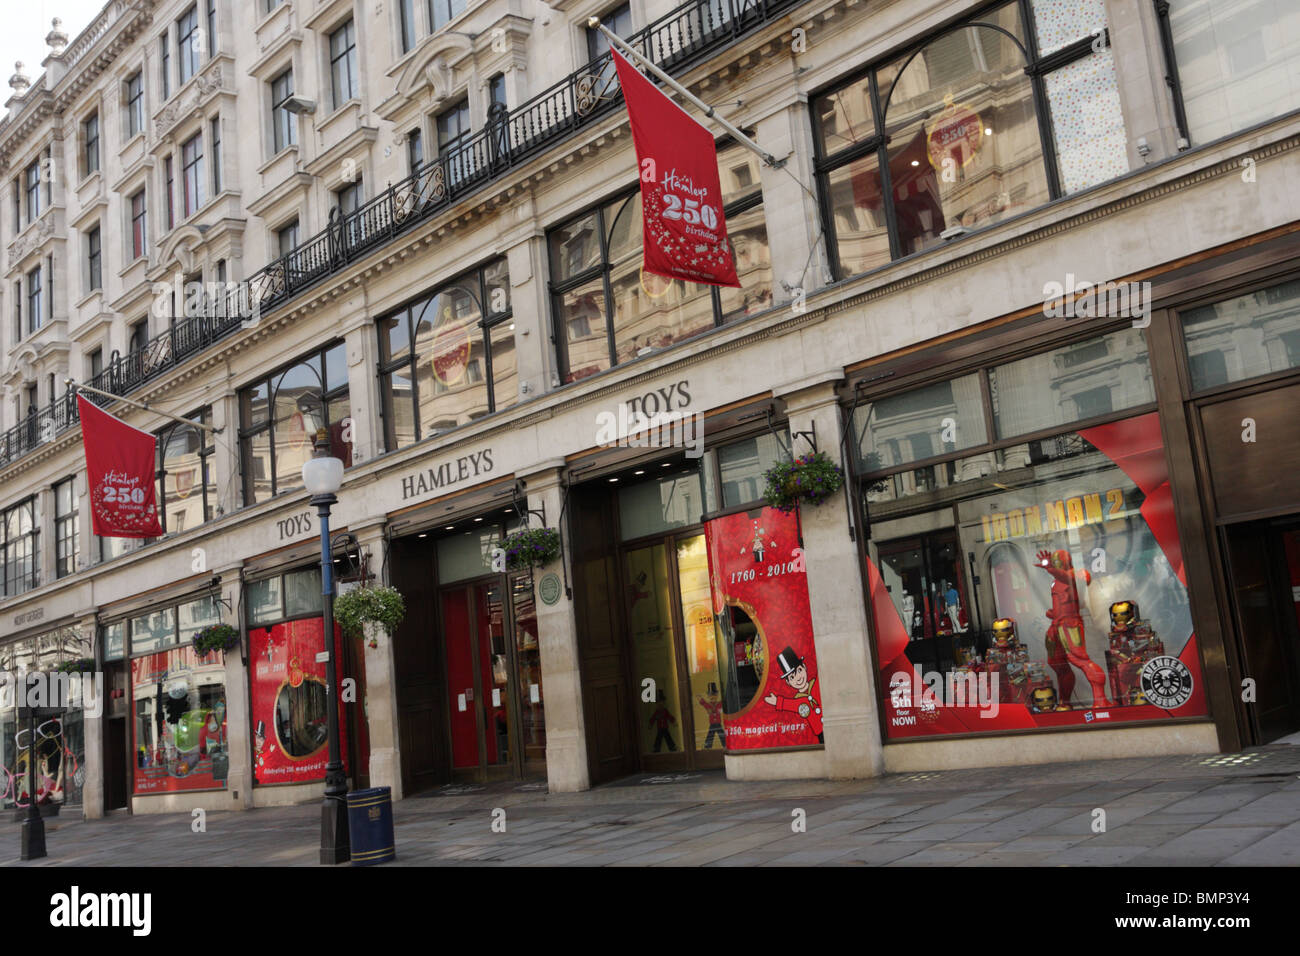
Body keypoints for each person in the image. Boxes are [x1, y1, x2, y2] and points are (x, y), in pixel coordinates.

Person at [764, 646, 823, 742]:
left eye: (799, 670)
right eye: (792, 677)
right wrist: (776, 701)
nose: (798, 678)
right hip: (820, 734)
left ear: (804, 667)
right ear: (788, 682)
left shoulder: (815, 684)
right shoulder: (798, 700)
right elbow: (788, 704)